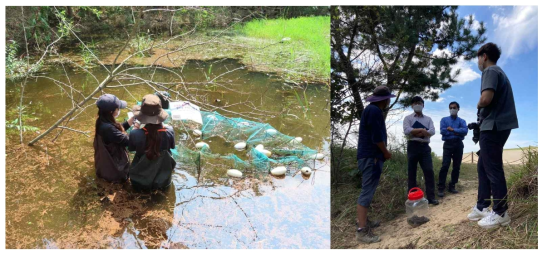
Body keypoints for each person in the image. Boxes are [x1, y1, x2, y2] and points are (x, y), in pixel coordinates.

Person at [467, 42, 518, 229]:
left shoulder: (490, 71)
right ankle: (482, 206)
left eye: (478, 58)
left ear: (484, 56)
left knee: (493, 168)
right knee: (483, 165)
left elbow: (486, 98)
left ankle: (500, 212)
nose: (478, 62)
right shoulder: (500, 72)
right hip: (497, 125)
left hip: (493, 127)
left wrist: (478, 105)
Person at [355, 86, 395, 244]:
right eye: (388, 99)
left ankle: (364, 221)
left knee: (368, 190)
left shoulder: (370, 110)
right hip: (371, 157)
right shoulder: (375, 111)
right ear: (385, 100)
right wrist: (385, 152)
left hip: (368, 156)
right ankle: (362, 231)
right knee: (367, 192)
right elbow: (376, 136)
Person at [128, 94, 176, 191]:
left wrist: (136, 127)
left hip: (139, 180)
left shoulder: (135, 134)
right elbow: (172, 146)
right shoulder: (169, 131)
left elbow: (131, 149)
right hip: (163, 181)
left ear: (142, 116)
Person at [403, 96, 439, 205]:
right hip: (412, 146)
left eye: (419, 103)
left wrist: (416, 131)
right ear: (412, 105)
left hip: (425, 147)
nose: (417, 105)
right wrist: (422, 130)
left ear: (423, 105)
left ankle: (431, 197)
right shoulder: (408, 118)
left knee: (429, 171)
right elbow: (407, 130)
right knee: (412, 172)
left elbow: (432, 131)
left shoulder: (428, 119)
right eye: (415, 103)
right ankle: (413, 199)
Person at [94, 94, 137, 182]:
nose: (119, 110)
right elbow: (128, 142)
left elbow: (116, 131)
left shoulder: (101, 121)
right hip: (113, 173)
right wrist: (136, 128)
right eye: (118, 108)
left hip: (104, 165)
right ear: (111, 112)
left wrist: (132, 120)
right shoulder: (108, 128)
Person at [437, 101, 468, 197]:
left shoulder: (462, 121)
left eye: (454, 107)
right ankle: (441, 187)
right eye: (450, 108)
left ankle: (452, 186)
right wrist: (458, 132)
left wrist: (453, 130)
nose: (452, 109)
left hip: (458, 145)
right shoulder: (444, 120)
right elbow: (442, 131)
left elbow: (465, 131)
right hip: (448, 144)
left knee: (456, 167)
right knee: (445, 165)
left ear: (458, 109)